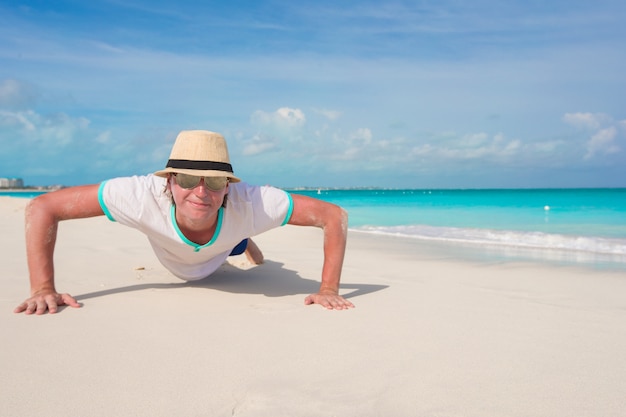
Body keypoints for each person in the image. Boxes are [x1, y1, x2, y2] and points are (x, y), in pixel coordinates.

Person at [14, 130, 354, 315]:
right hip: (177, 244)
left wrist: (328, 289)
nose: (202, 192)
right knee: (228, 233)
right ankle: (241, 239)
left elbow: (334, 216)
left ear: (229, 188)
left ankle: (243, 240)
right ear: (169, 181)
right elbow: (43, 206)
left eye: (216, 182)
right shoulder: (139, 195)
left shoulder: (254, 203)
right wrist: (43, 288)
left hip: (224, 241)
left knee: (234, 238)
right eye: (189, 180)